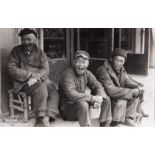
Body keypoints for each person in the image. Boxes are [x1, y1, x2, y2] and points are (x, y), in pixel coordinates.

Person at [8, 28, 59, 127]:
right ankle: (40, 119)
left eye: (29, 39)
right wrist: (30, 75)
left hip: (38, 80)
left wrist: (36, 77)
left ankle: (48, 116)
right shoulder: (15, 51)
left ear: (36, 39)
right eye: (23, 39)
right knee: (40, 88)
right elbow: (12, 69)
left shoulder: (40, 53)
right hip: (22, 83)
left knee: (53, 90)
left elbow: (46, 69)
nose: (26, 42)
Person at [58, 50, 112, 127]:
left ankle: (104, 125)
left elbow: (98, 85)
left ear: (88, 64)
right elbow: (71, 94)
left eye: (84, 62)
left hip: (82, 105)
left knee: (106, 98)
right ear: (73, 62)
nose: (81, 65)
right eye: (78, 62)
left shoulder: (87, 73)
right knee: (82, 104)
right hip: (67, 109)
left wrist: (99, 97)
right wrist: (92, 98)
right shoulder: (67, 74)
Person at [96, 48, 148, 127]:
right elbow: (111, 91)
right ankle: (116, 122)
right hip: (106, 97)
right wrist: (132, 91)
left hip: (115, 93)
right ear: (111, 59)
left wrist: (136, 86)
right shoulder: (103, 70)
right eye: (117, 60)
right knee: (123, 100)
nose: (119, 63)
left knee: (136, 93)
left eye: (122, 61)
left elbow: (126, 80)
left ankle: (128, 117)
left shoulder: (121, 69)